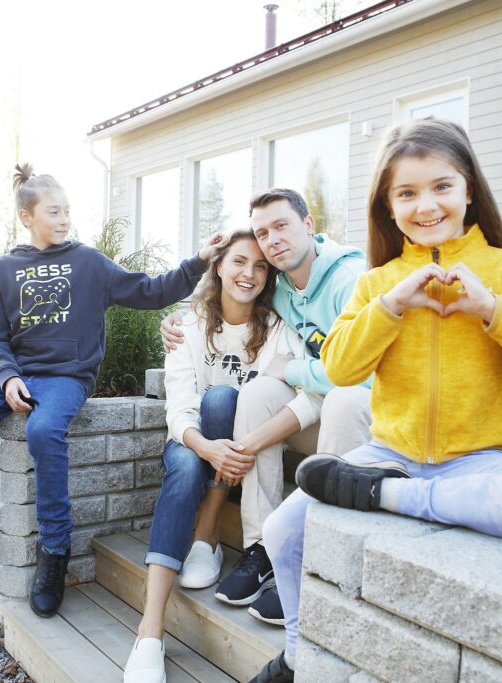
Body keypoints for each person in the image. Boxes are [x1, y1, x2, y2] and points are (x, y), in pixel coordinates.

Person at [250, 118, 502, 683]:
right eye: (406, 193)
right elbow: (339, 366)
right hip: (390, 452)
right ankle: (295, 653)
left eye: (441, 187)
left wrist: (491, 309)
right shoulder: (375, 282)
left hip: (475, 462)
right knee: (284, 531)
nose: (426, 205)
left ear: (468, 190)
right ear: (388, 204)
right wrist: (390, 308)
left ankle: (393, 499)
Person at [0, 163, 220, 620]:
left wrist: (197, 261)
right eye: (54, 211)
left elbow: (152, 291)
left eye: (67, 210)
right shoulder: (4, 269)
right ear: (26, 217)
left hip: (66, 377)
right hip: (14, 374)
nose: (64, 219)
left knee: (44, 430)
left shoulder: (89, 263)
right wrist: (8, 377)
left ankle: (54, 552)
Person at [161, 188, 373, 623]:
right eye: (263, 232)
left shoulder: (351, 280)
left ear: (309, 224)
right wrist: (172, 324)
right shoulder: (279, 291)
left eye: (282, 226)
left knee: (341, 402)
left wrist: (292, 373)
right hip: (317, 406)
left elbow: (357, 375)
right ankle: (263, 547)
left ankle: (320, 562)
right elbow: (223, 301)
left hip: (365, 413)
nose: (272, 240)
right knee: (257, 391)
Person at [124, 229, 320, 683]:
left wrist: (231, 446)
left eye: (259, 266)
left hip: (240, 449)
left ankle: (208, 528)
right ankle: (150, 629)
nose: (248, 274)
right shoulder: (188, 325)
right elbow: (178, 408)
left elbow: (301, 394)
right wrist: (204, 445)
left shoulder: (275, 329)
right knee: (192, 447)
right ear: (218, 266)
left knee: (223, 401)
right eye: (238, 262)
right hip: (197, 445)